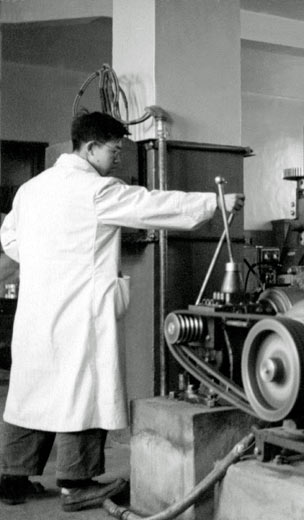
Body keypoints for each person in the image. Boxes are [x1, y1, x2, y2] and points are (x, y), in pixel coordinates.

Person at [0, 111, 245, 511]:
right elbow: (151, 205)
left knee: (33, 387)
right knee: (85, 390)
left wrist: (49, 262)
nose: (118, 158)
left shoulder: (31, 190)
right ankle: (76, 484)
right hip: (81, 311)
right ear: (91, 147)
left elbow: (10, 238)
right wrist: (214, 202)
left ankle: (13, 479)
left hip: (38, 310)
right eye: (114, 150)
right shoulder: (96, 191)